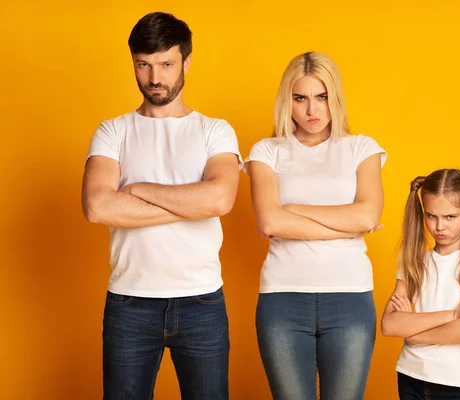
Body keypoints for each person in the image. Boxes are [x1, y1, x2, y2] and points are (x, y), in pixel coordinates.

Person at [81, 12, 241, 400]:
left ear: (186, 62)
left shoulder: (214, 130)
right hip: (129, 302)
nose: (155, 78)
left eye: (166, 64)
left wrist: (136, 189)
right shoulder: (112, 131)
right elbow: (98, 207)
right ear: (133, 64)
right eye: (144, 65)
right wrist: (191, 203)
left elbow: (220, 198)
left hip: (201, 300)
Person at [244, 51, 386, 400]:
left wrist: (294, 210)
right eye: (300, 98)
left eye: (321, 97)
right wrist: (347, 226)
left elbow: (367, 216)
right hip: (283, 298)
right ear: (287, 101)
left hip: (350, 297)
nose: (312, 110)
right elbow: (270, 220)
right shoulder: (267, 151)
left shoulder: (360, 148)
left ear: (334, 98)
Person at [381, 169, 460, 400]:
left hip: (454, 382)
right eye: (431, 216)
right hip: (410, 375)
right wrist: (454, 314)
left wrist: (414, 334)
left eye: (450, 217)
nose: (439, 227)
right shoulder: (413, 261)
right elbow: (390, 325)